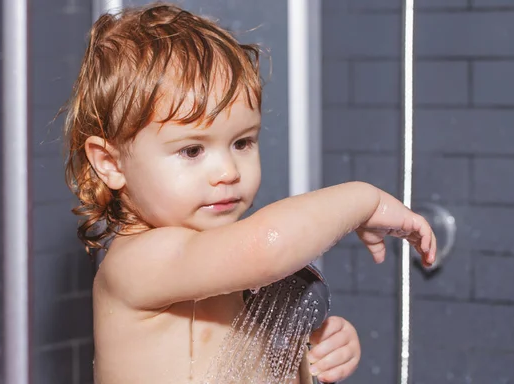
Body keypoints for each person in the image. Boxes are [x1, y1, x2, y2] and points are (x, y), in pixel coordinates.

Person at [62, 3, 436, 383]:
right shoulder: (137, 263)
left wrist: (313, 354)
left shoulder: (224, 269)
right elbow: (267, 248)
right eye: (192, 150)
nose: (228, 172)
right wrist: (364, 200)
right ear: (110, 163)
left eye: (242, 143)